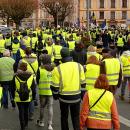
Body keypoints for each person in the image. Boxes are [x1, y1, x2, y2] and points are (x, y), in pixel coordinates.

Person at [51, 47, 86, 130]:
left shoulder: (57, 69)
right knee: (75, 117)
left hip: (63, 98)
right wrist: (81, 95)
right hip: (76, 97)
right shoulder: (79, 66)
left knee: (64, 117)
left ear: (61, 56)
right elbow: (83, 84)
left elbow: (55, 87)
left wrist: (56, 96)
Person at [11, 62, 36, 130]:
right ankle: (26, 124)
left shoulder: (15, 76)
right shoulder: (31, 76)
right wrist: (33, 97)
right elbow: (33, 88)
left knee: (21, 111)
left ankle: (22, 126)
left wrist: (13, 97)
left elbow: (12, 88)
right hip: (28, 97)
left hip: (18, 97)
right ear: (26, 67)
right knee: (26, 111)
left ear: (19, 68)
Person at [36, 54, 54, 130]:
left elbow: (37, 80)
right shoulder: (54, 69)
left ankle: (41, 121)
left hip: (42, 91)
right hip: (51, 91)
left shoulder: (40, 69)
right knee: (50, 107)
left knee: (42, 107)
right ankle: (50, 124)